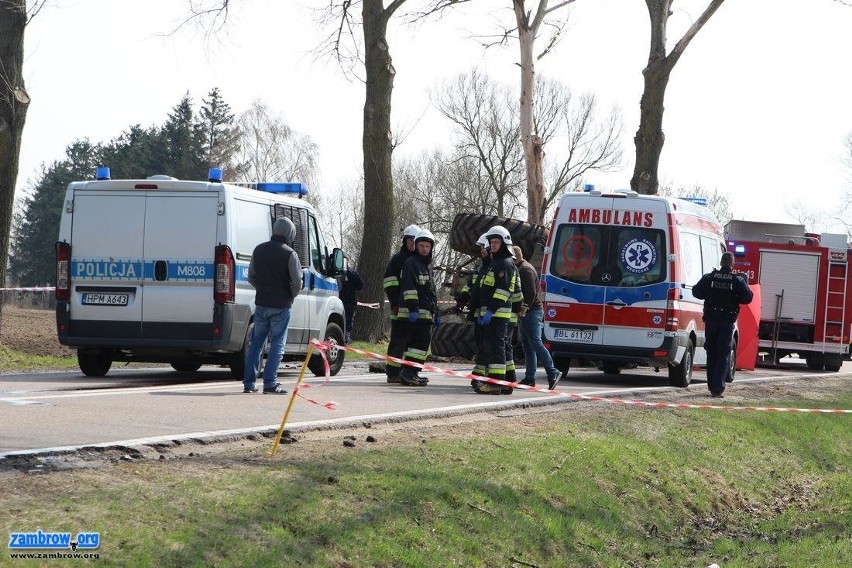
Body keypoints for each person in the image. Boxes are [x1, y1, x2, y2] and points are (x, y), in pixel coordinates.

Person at [243, 217, 303, 394]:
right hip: (281, 306)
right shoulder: (290, 254)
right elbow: (297, 282)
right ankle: (270, 383)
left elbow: (251, 276)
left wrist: (261, 290)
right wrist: (290, 296)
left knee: (256, 344)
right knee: (277, 345)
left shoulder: (259, 250)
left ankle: (249, 383)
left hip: (261, 304)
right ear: (290, 233)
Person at [692, 251, 753, 398]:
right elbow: (748, 298)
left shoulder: (710, 277)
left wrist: (709, 293)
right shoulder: (737, 280)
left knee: (711, 352)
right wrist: (743, 285)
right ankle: (717, 388)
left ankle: (711, 385)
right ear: (732, 265)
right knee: (723, 354)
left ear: (720, 263)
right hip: (726, 322)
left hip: (711, 321)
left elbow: (696, 292)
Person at [472, 226, 517, 395]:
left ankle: (495, 384)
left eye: (496, 242)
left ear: (504, 243)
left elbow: (502, 291)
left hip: (497, 313)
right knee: (499, 347)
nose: (493, 245)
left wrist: (490, 310)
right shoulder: (497, 263)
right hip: (494, 313)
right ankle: (507, 382)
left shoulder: (504, 263)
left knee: (495, 347)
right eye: (492, 242)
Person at [512, 245, 561, 390]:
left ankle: (553, 371)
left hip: (531, 312)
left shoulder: (524, 270)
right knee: (528, 346)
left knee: (535, 343)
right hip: (530, 312)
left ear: (515, 257)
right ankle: (529, 378)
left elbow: (530, 294)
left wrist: (523, 309)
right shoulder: (524, 268)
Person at [398, 228, 439, 387]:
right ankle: (409, 372)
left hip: (425, 313)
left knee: (421, 344)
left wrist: (436, 312)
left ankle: (412, 373)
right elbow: (409, 288)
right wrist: (413, 309)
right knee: (417, 344)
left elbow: (431, 291)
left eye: (427, 246)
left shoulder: (427, 266)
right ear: (416, 246)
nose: (424, 249)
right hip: (414, 313)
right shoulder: (411, 263)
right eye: (421, 245)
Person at [382, 224, 420, 383]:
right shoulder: (397, 260)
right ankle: (393, 372)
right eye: (410, 240)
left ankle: (407, 372)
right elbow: (389, 282)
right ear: (404, 241)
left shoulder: (419, 261)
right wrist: (395, 303)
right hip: (399, 308)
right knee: (398, 340)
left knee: (412, 342)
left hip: (415, 309)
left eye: (415, 241)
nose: (412, 243)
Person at [339, 255, 364, 345]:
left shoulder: (350, 273)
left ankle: (345, 341)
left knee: (347, 322)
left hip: (348, 301)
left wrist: (350, 273)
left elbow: (360, 285)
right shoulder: (332, 272)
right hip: (337, 299)